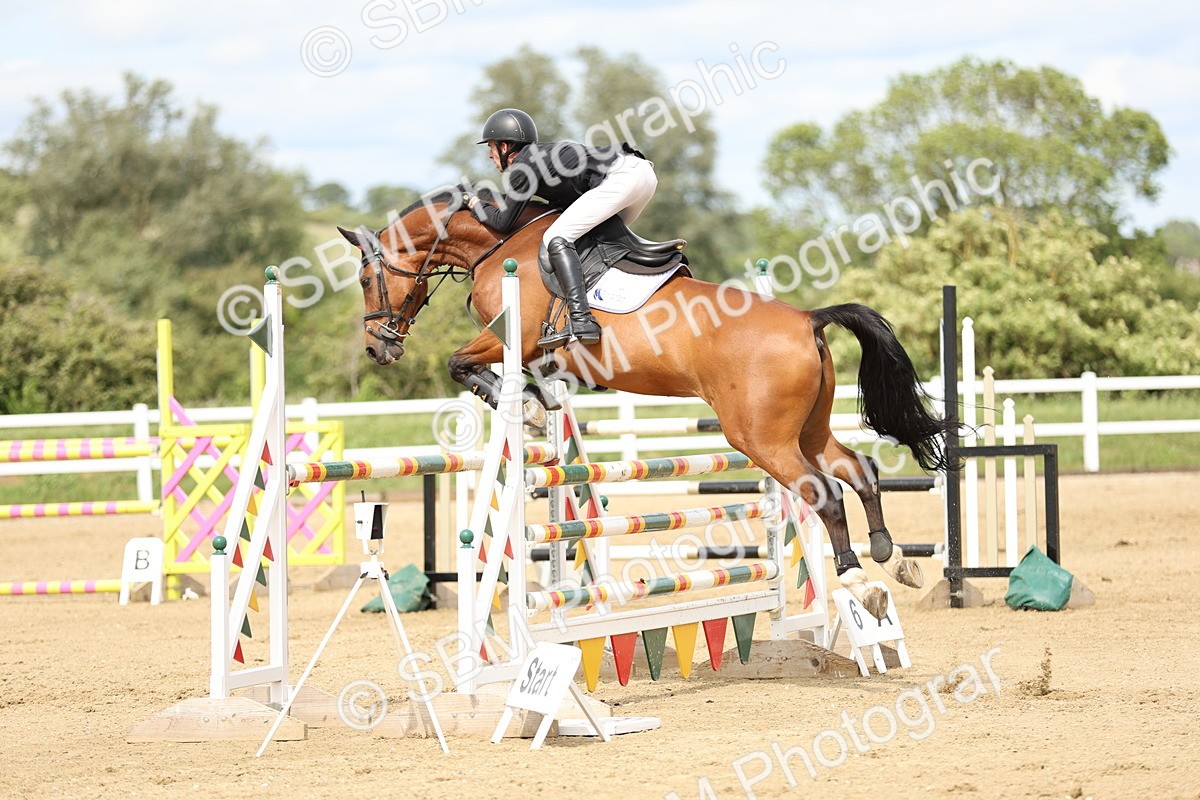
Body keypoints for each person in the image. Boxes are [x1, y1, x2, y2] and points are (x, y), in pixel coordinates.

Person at [462, 108, 658, 349]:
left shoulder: (524, 166)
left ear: (505, 147)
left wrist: (474, 203)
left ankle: (581, 320)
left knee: (556, 237)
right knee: (592, 241)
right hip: (640, 174)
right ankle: (613, 309)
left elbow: (504, 222)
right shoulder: (538, 158)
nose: (489, 156)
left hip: (622, 177)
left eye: (490, 147)